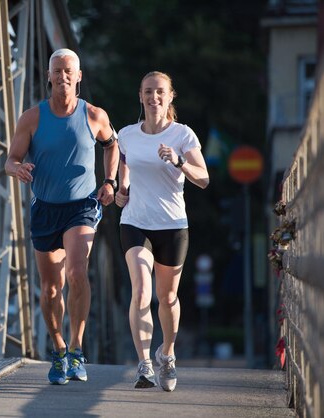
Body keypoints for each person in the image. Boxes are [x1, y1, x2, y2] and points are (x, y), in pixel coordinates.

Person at [5, 48, 119, 385]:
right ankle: (58, 350)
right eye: (57, 71)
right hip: (45, 207)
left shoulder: (95, 115)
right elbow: (10, 159)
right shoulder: (32, 118)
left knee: (76, 271)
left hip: (81, 206)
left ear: (79, 76)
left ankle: (76, 348)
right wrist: (18, 169)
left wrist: (110, 181)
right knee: (51, 288)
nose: (63, 76)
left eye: (69, 70)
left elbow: (112, 145)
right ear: (49, 76)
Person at [114, 71, 209, 392]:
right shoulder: (126, 134)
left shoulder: (183, 135)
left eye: (160, 92)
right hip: (135, 222)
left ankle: (166, 354)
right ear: (140, 97)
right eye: (148, 92)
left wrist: (179, 161)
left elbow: (204, 178)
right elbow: (122, 162)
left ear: (170, 97)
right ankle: (144, 364)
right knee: (141, 290)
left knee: (167, 298)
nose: (154, 97)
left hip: (172, 225)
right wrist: (120, 188)